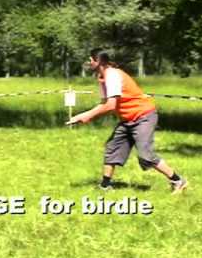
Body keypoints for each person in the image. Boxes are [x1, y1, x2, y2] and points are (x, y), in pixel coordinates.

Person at [67, 48, 188, 193]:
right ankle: (105, 186)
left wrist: (87, 116)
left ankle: (178, 181)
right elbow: (105, 103)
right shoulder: (102, 77)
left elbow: (111, 105)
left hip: (143, 116)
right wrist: (85, 115)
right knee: (112, 148)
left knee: (146, 155)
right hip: (127, 119)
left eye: (91, 60)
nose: (89, 62)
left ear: (98, 61)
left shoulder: (112, 75)